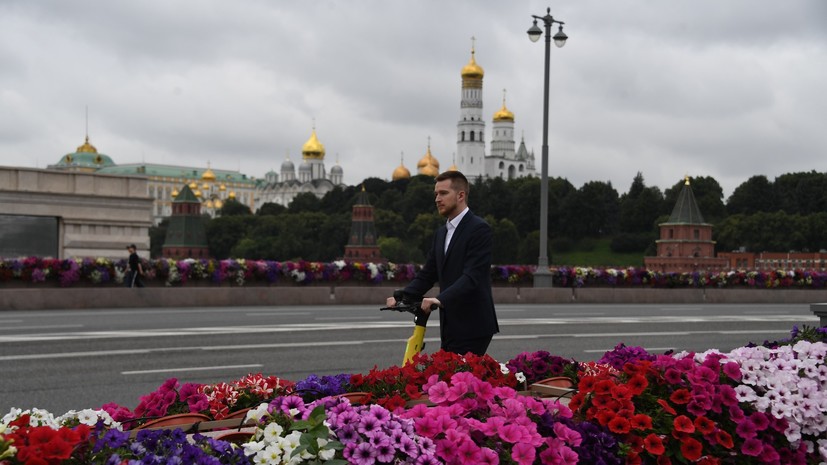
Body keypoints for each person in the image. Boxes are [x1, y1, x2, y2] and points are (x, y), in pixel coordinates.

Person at [386, 171, 499, 355]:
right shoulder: (441, 233)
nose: (437, 199)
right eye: (436, 194)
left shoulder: (479, 229)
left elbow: (472, 276)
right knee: (449, 379)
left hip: (473, 324)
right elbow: (429, 273)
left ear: (461, 195)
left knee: (458, 380)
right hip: (450, 323)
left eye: (443, 193)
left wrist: (440, 299)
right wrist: (402, 296)